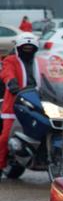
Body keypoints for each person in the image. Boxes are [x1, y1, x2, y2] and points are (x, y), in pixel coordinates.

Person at [0, 32, 39, 176]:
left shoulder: (39, 63)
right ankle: (0, 164)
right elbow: (6, 73)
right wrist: (11, 83)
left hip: (37, 103)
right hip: (14, 105)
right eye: (25, 47)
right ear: (18, 47)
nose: (28, 49)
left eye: (31, 47)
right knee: (5, 137)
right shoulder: (10, 60)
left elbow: (50, 75)